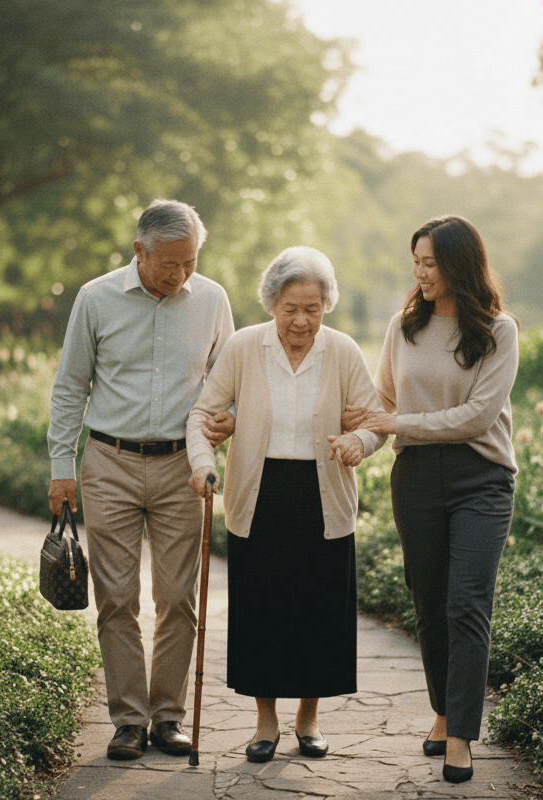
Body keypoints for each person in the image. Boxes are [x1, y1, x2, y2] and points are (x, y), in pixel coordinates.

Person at [47, 199, 236, 761]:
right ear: (139, 251)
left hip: (184, 467)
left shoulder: (212, 299)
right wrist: (62, 467)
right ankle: (129, 719)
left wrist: (228, 419)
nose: (180, 275)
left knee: (179, 598)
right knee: (117, 598)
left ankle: (169, 717)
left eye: (190, 262)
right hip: (110, 464)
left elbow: (230, 379)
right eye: (169, 263)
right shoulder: (95, 297)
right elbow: (69, 387)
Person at [185, 246, 387, 763]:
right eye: (291, 307)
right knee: (263, 610)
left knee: (320, 609)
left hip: (324, 494)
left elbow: (374, 419)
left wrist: (358, 443)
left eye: (312, 309)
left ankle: (309, 718)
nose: (301, 320)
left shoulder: (341, 351)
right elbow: (204, 413)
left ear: (326, 306)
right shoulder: (244, 346)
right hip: (260, 493)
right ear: (272, 302)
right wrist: (202, 463)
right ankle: (266, 722)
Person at [355, 216, 518, 784]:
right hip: (417, 476)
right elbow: (382, 402)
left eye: (431, 264)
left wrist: (398, 422)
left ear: (459, 266)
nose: (421, 274)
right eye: (416, 263)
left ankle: (463, 738)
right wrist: (360, 441)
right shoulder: (404, 328)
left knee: (466, 605)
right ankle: (444, 712)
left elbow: (477, 416)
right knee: (428, 602)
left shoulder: (499, 331)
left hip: (483, 478)